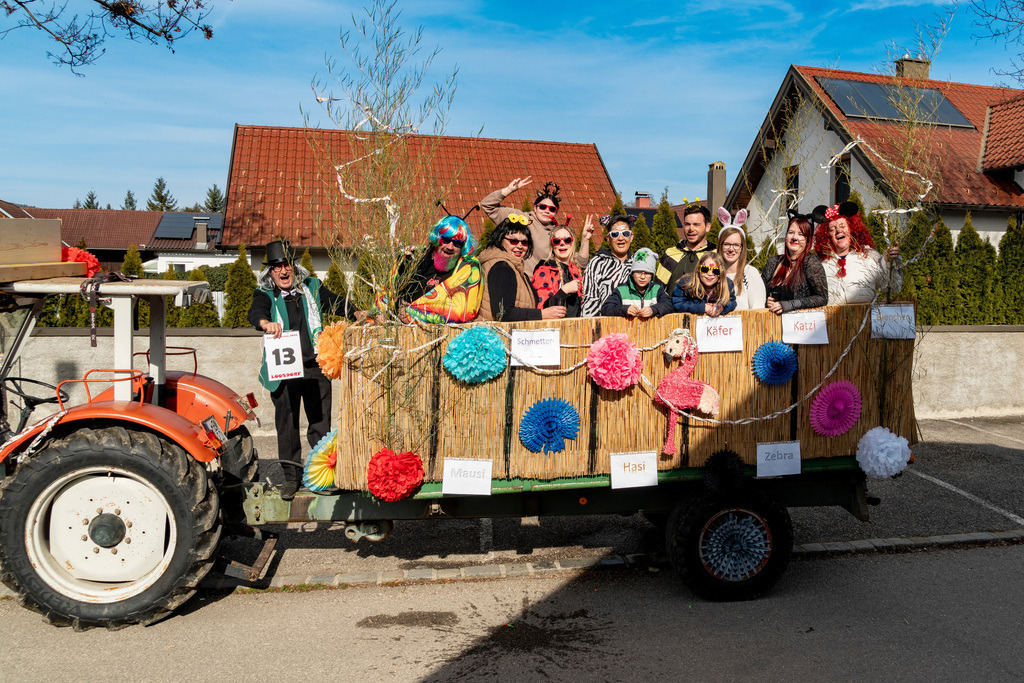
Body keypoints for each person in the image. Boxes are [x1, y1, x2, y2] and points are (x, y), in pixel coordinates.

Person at [248, 239, 347, 501]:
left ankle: (321, 477)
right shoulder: (265, 294)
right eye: (277, 267)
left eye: (287, 265)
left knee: (320, 425)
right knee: (287, 426)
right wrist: (264, 322)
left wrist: (357, 312)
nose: (283, 271)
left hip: (316, 367)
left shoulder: (312, 287)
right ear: (270, 272)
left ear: (294, 267)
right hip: (284, 371)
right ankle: (290, 479)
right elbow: (255, 312)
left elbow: (334, 303)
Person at [480, 177, 594, 275]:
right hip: (513, 278)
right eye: (543, 207)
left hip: (541, 288)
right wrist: (509, 190)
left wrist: (585, 239)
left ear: (556, 212)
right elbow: (487, 205)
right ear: (535, 207)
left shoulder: (556, 236)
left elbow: (581, 263)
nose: (547, 211)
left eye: (552, 209)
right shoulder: (520, 219)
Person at [477, 214, 566, 322]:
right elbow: (503, 314)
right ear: (500, 240)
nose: (519, 246)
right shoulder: (502, 268)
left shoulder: (513, 266)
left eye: (524, 242)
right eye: (513, 241)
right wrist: (543, 314)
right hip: (496, 336)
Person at [395, 216, 482, 324]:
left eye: (457, 243)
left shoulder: (468, 266)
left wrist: (412, 313)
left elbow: (462, 311)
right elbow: (387, 291)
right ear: (437, 238)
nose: (450, 247)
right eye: (446, 240)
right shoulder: (412, 258)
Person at [812, 202, 902, 304]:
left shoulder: (869, 256)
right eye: (832, 229)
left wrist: (888, 263)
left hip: (863, 318)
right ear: (827, 235)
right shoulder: (820, 262)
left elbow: (894, 289)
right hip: (831, 319)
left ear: (852, 229)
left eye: (842, 226)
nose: (838, 231)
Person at [761, 214, 829, 315]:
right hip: (772, 326)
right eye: (791, 232)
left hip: (799, 326)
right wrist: (766, 301)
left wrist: (790, 305)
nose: (794, 238)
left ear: (807, 240)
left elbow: (822, 298)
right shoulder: (773, 262)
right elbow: (760, 293)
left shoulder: (811, 262)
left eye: (801, 234)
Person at [580, 214, 635, 317]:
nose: (620, 238)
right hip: (606, 325)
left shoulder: (637, 264)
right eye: (615, 234)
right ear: (608, 238)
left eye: (625, 233)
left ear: (631, 237)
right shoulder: (597, 263)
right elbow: (590, 300)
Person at [656, 204, 717, 294]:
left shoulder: (716, 255)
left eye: (696, 225)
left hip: (705, 308)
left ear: (707, 227)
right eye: (687, 224)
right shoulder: (671, 254)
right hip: (671, 308)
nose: (691, 229)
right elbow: (657, 291)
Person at [600, 248, 674, 318]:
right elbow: (606, 308)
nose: (642, 277)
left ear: (652, 275)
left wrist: (653, 310)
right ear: (632, 273)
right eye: (638, 272)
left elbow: (668, 305)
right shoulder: (621, 290)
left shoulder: (657, 289)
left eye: (647, 273)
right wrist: (624, 309)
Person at [716, 208, 766, 310]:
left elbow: (758, 310)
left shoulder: (750, 273)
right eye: (726, 244)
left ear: (741, 248)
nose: (731, 249)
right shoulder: (712, 273)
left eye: (736, 245)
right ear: (720, 246)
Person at [531, 225, 583, 317]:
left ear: (572, 243)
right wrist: (563, 291)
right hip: (554, 328)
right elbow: (541, 309)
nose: (562, 244)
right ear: (552, 246)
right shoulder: (544, 271)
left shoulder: (576, 270)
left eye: (567, 240)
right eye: (556, 241)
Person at [672, 251, 737, 317]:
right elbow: (677, 303)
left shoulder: (727, 285)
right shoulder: (686, 284)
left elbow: (732, 302)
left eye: (716, 271)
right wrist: (703, 307)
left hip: (714, 325)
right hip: (690, 323)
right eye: (705, 269)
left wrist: (722, 307)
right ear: (698, 269)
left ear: (721, 273)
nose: (710, 274)